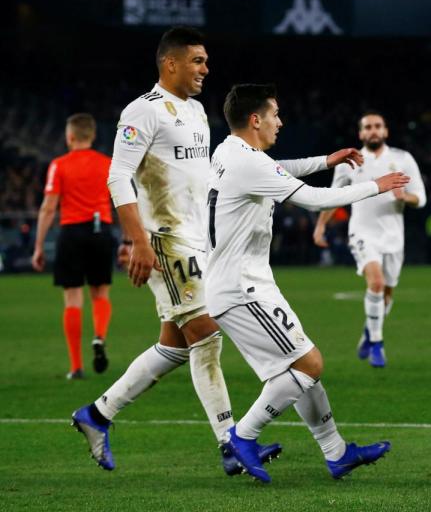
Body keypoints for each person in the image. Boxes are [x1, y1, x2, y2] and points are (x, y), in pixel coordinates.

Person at [70, 27, 280, 475]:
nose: (206, 69)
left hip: (196, 240)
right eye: (198, 61)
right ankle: (231, 443)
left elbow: (198, 180)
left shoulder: (198, 112)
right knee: (206, 332)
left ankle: (97, 414)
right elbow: (117, 177)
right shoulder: (142, 112)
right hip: (163, 241)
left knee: (177, 343)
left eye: (205, 61)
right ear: (171, 64)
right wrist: (138, 240)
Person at [209, 84, 407, 483]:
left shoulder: (229, 151)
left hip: (241, 284)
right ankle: (242, 438)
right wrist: (376, 186)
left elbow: (278, 170)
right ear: (255, 120)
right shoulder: (249, 162)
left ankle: (337, 454)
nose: (280, 122)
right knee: (308, 363)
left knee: (298, 366)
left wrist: (325, 159)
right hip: (241, 287)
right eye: (275, 115)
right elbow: (315, 200)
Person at [312, 111, 426, 368]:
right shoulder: (349, 162)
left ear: (385, 131)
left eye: (377, 126)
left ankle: (369, 330)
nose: (373, 131)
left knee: (386, 293)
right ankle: (377, 342)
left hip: (394, 235)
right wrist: (321, 226)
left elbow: (421, 196)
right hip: (362, 233)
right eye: (368, 127)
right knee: (375, 282)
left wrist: (405, 197)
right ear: (361, 133)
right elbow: (334, 196)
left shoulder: (402, 159)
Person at [32, 113, 115, 379]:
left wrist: (39, 246)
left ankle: (76, 366)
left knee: (72, 298)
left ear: (69, 137)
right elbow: (123, 200)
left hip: (71, 233)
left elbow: (48, 208)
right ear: (92, 136)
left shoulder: (59, 165)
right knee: (100, 293)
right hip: (101, 231)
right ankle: (99, 337)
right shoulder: (107, 164)